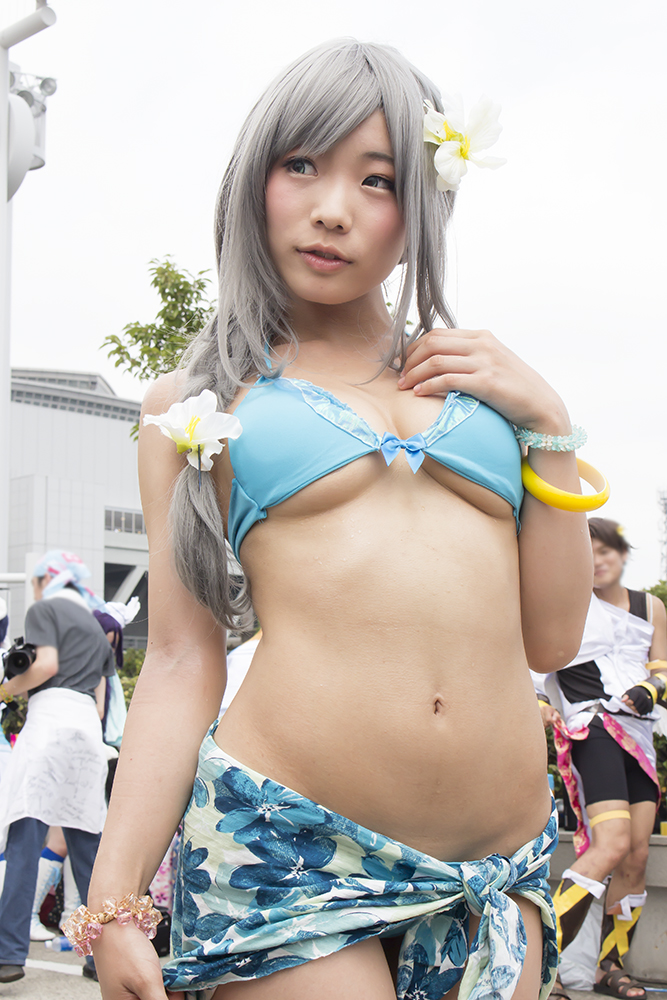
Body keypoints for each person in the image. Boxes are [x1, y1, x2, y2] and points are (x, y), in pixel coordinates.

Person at [84, 40, 595, 1000]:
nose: (332, 209)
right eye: (302, 165)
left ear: (424, 203)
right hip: (290, 850)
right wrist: (113, 902)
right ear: (255, 180)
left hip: (493, 871)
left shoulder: (483, 390)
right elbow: (184, 659)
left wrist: (550, 425)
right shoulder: (197, 402)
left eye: (378, 179)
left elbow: (552, 638)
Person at [536, 519, 667, 999]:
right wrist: (540, 705)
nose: (596, 560)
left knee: (635, 857)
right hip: (593, 729)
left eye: (605, 550)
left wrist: (653, 687)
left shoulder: (649, 606)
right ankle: (539, 963)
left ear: (621, 554)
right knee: (610, 845)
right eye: (586, 552)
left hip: (641, 738)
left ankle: (607, 966)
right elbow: (533, 670)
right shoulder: (561, 609)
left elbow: (663, 667)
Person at [0, 550, 114, 984]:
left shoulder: (44, 610)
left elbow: (45, 665)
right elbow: (101, 700)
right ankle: (101, 959)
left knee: (24, 840)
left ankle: (9, 955)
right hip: (86, 733)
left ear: (47, 579)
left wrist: (5, 689)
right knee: (88, 853)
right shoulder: (96, 625)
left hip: (48, 726)